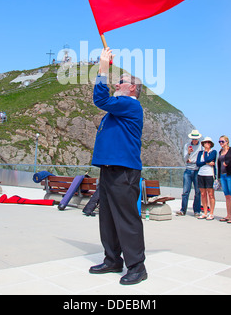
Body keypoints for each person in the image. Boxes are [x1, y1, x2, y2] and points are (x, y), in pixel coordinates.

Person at [89, 47, 147, 286]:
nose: (117, 83)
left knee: (126, 218)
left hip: (124, 170)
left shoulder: (131, 105)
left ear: (132, 88)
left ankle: (137, 267)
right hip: (110, 168)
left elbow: (100, 99)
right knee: (108, 218)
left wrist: (103, 68)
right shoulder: (119, 108)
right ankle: (112, 259)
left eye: (121, 82)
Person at [176, 129, 202, 217]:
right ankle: (183, 210)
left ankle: (197, 210)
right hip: (188, 170)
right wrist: (189, 153)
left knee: (198, 192)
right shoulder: (187, 145)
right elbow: (185, 158)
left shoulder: (201, 146)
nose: (194, 140)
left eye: (196, 139)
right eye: (193, 138)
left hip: (197, 170)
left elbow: (201, 159)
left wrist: (193, 161)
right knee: (185, 191)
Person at [217, 135, 231, 223]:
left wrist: (229, 162)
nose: (221, 143)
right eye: (219, 142)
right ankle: (228, 215)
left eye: (222, 141)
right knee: (227, 196)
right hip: (223, 175)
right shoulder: (220, 151)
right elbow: (219, 164)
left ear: (227, 141)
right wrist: (218, 177)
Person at [196, 137, 217, 220]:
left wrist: (205, 161)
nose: (207, 144)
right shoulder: (200, 153)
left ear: (211, 144)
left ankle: (211, 213)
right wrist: (207, 163)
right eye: (205, 142)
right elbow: (198, 163)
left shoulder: (213, 152)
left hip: (209, 174)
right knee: (203, 194)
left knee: (210, 194)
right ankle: (205, 212)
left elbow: (208, 158)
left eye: (208, 142)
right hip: (201, 174)